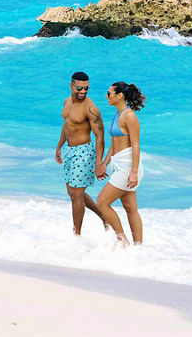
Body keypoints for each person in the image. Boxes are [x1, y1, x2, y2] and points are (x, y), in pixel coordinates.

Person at [54, 70, 106, 234]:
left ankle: (76, 234)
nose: (83, 92)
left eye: (86, 88)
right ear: (71, 86)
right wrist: (59, 146)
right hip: (70, 150)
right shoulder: (66, 102)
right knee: (73, 192)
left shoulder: (91, 109)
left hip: (84, 152)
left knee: (77, 194)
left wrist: (99, 163)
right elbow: (67, 126)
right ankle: (105, 217)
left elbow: (100, 137)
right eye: (79, 88)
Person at [94, 82, 146, 245]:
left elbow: (136, 145)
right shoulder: (118, 114)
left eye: (109, 93)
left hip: (128, 167)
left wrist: (134, 172)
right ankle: (138, 247)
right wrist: (104, 164)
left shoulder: (129, 116)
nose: (106, 96)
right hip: (119, 164)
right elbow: (114, 144)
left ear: (119, 96)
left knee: (102, 202)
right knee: (130, 207)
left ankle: (122, 239)